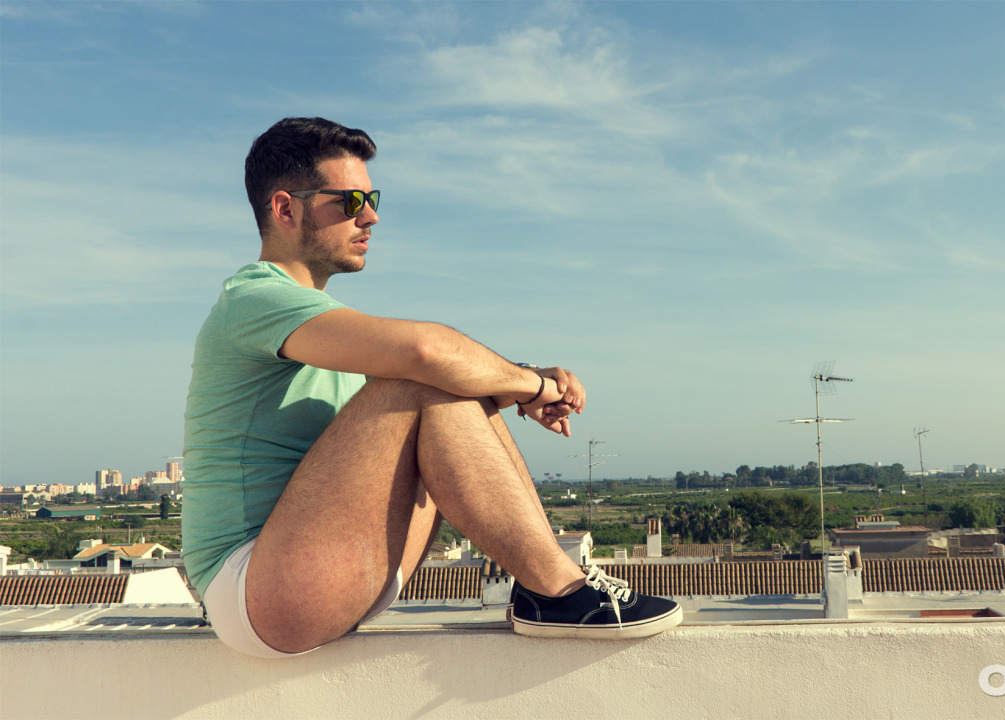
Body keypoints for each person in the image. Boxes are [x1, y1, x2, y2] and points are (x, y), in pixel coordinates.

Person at [182, 117, 681, 658]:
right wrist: (530, 384)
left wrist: (514, 383)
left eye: (372, 199)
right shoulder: (253, 298)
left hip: (327, 571)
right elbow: (424, 353)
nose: (371, 216)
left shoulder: (317, 324)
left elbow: (440, 385)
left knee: (440, 378)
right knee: (421, 377)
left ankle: (552, 585)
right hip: (254, 590)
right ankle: (558, 590)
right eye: (350, 202)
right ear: (285, 209)